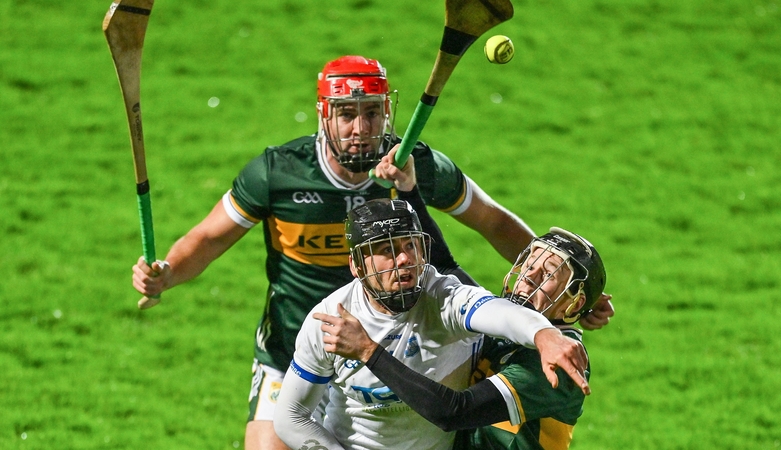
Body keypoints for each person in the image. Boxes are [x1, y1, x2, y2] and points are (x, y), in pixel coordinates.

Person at [131, 55, 574, 449]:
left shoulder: (414, 165)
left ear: (387, 113)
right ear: (325, 115)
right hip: (292, 344)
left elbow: (494, 221)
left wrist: (567, 281)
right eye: (346, 114)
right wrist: (168, 273)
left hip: (399, 347)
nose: (360, 129)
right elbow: (210, 237)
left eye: (371, 113)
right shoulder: (279, 173)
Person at [272, 196, 593, 450]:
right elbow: (290, 416)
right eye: (387, 250)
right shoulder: (329, 319)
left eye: (549, 272)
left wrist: (544, 333)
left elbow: (454, 412)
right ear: (356, 264)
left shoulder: (560, 363)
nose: (404, 260)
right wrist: (409, 186)